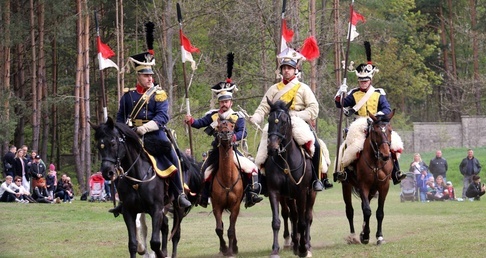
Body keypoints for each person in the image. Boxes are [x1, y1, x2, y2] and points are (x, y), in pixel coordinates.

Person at [115, 23, 190, 212]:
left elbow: (163, 117)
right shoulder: (128, 96)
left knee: (175, 158)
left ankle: (180, 194)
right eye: (145, 75)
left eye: (151, 74)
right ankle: (122, 200)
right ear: (138, 76)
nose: (150, 78)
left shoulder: (159, 94)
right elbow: (120, 119)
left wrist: (145, 128)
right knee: (115, 159)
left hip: (154, 135)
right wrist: (121, 132)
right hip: (132, 136)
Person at [185, 52, 263, 208]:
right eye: (221, 101)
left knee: (251, 167)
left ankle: (250, 194)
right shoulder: (213, 115)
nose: (224, 104)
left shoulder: (237, 116)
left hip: (233, 150)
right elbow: (199, 123)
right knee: (203, 171)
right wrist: (191, 121)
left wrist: (234, 138)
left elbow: (243, 132)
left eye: (226, 101)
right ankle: (203, 196)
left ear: (231, 102)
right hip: (217, 151)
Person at [249, 48, 330, 191]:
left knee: (316, 145)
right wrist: (256, 117)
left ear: (295, 70)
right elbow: (263, 107)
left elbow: (313, 109)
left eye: (289, 68)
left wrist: (296, 115)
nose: (286, 71)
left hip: (298, 121)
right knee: (262, 146)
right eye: (284, 68)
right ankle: (262, 181)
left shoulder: (303, 88)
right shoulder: (274, 89)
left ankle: (317, 179)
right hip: (277, 123)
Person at [333, 41, 405, 184]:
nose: (363, 83)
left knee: (392, 144)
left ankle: (396, 172)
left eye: (365, 80)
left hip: (376, 123)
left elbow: (387, 109)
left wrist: (377, 116)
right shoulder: (353, 93)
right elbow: (339, 104)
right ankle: (344, 172)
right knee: (348, 147)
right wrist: (340, 92)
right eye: (361, 81)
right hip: (358, 125)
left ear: (370, 80)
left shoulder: (379, 93)